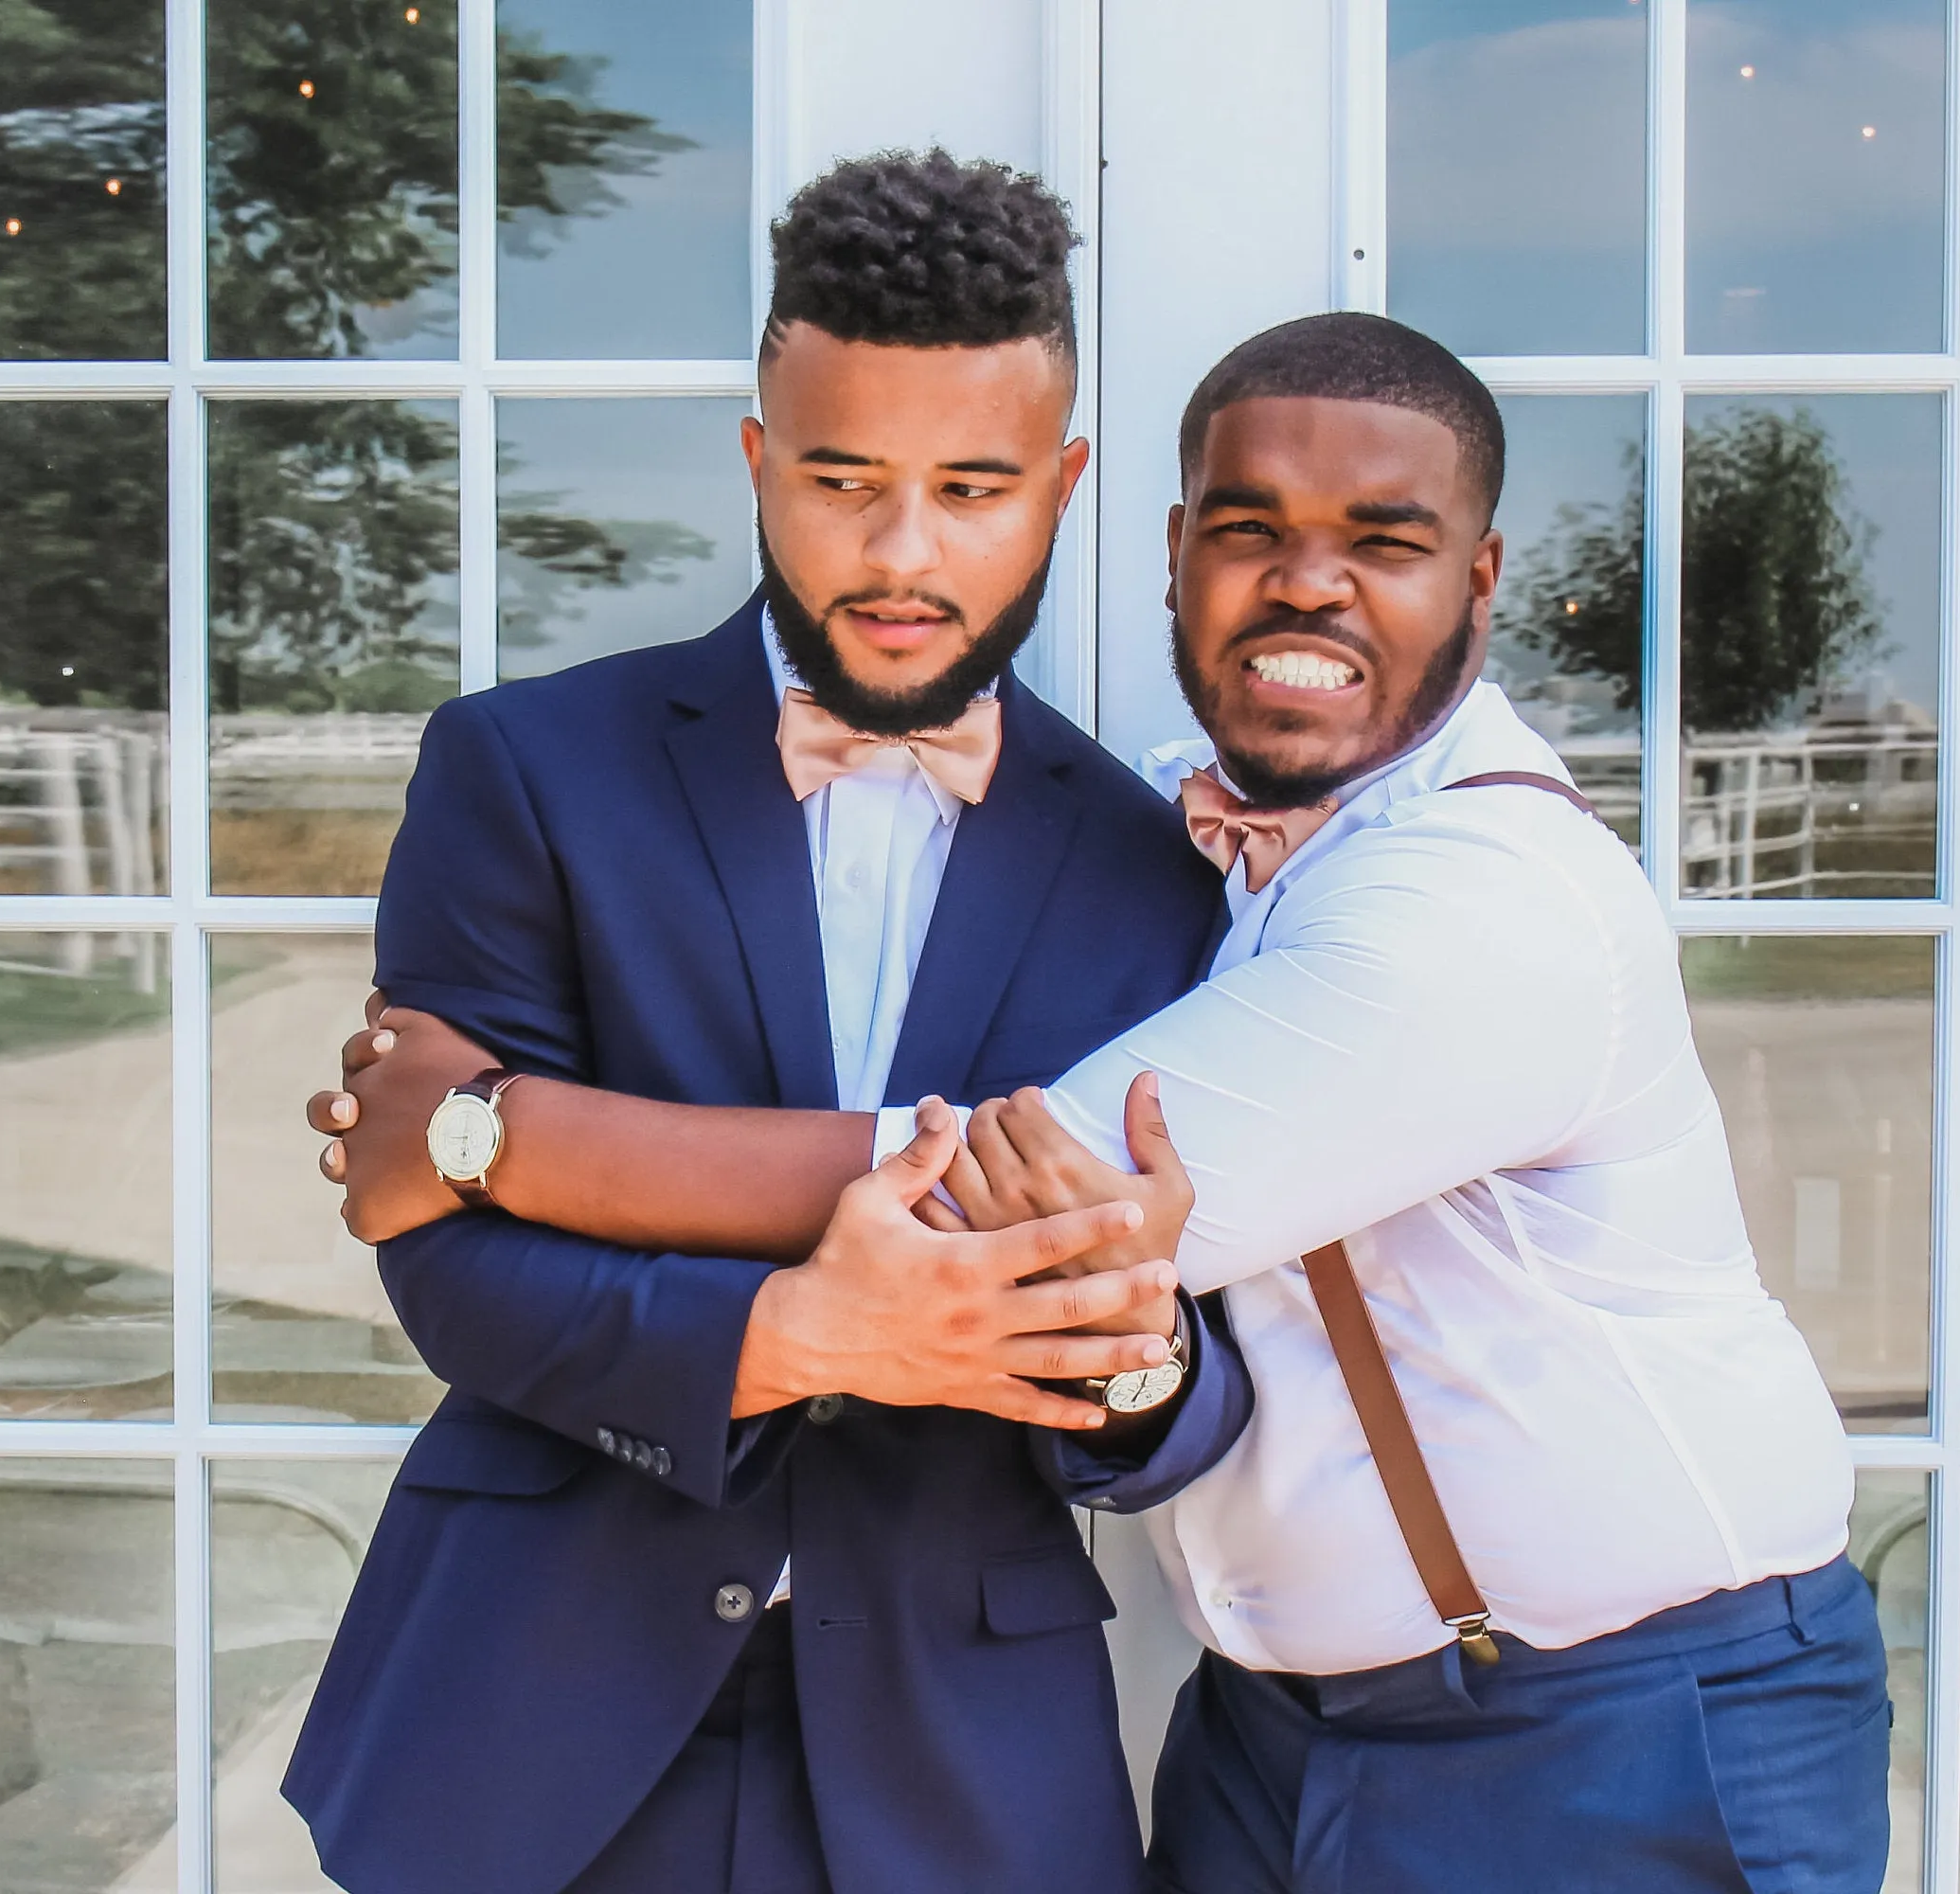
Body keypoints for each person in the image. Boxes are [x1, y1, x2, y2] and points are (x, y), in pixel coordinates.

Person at [320, 313, 1892, 1894]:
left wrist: (483, 1134)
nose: (1307, 583)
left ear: (1479, 581)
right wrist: (820, 1337)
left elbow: (1044, 1223)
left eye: (1385, 542)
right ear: (1170, 553)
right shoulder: (1216, 848)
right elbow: (1238, 1327)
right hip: (1231, 1739)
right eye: (1251, 530)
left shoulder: (1465, 901)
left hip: (1595, 1735)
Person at [279, 152, 1256, 1894]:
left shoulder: (1163, 870)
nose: (903, 552)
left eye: (973, 488)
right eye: (841, 478)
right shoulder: (524, 772)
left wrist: (1131, 1359)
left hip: (961, 1769)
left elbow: (1201, 1375)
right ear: (755, 461)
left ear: (1065, 485)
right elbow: (441, 1259)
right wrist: (796, 1341)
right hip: (524, 1719)